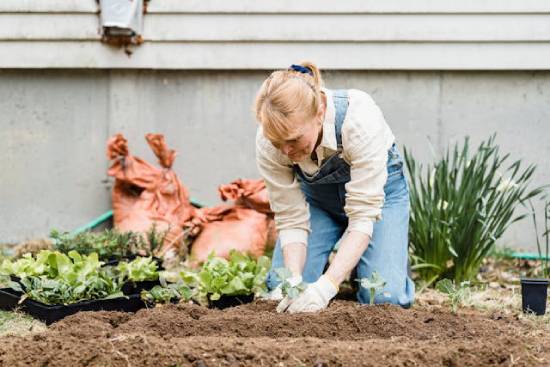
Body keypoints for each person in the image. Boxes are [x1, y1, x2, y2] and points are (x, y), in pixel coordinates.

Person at [254, 61, 415, 313]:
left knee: (384, 298)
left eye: (294, 139)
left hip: (380, 201)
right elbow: (290, 219)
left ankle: (377, 259)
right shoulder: (269, 142)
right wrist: (295, 280)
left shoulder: (359, 119)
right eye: (278, 142)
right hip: (319, 204)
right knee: (281, 288)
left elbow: (363, 216)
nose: (286, 151)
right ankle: (349, 262)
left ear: (319, 113)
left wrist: (327, 286)